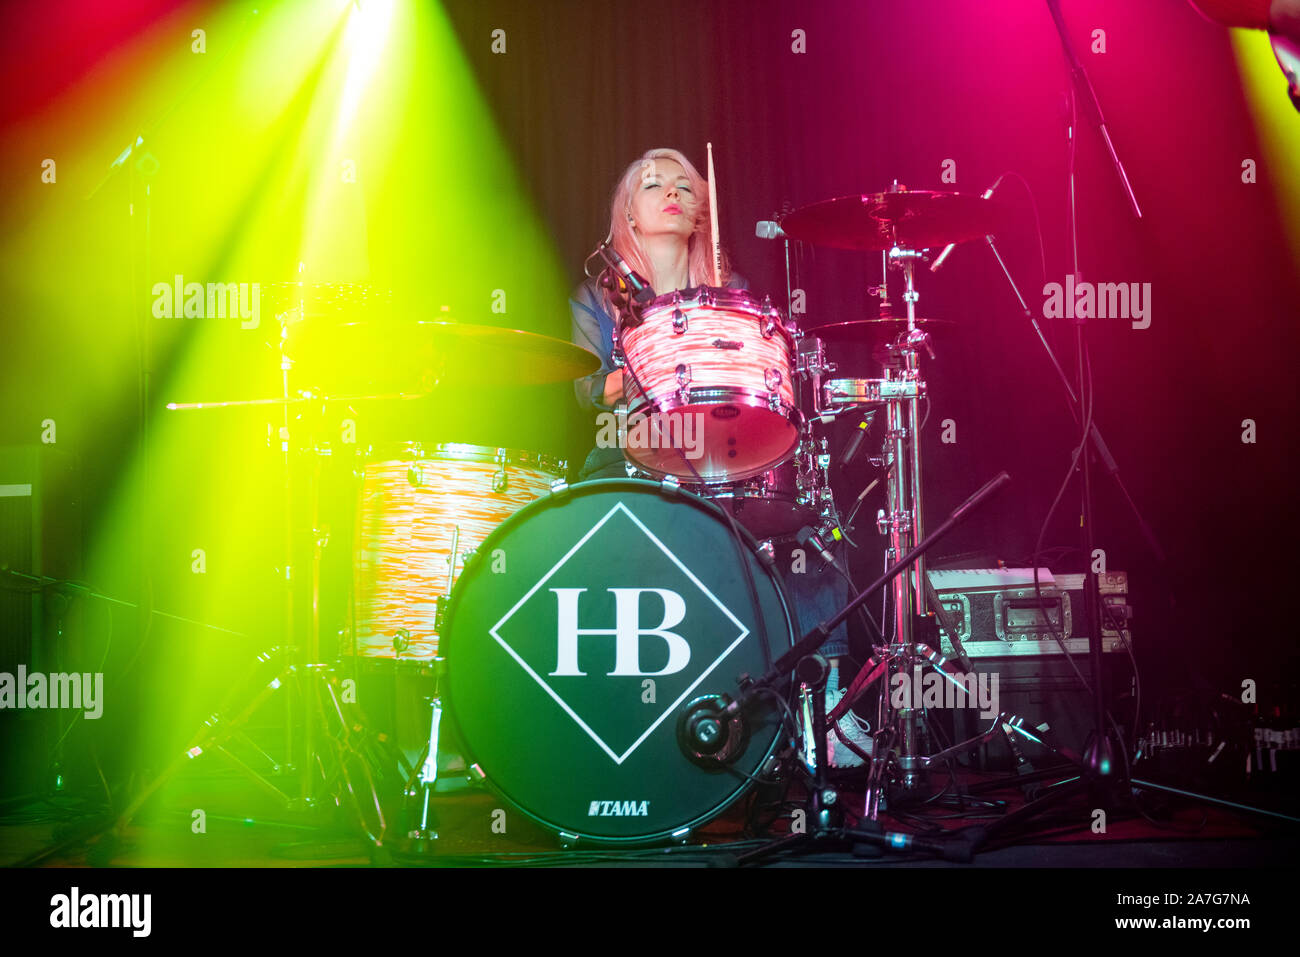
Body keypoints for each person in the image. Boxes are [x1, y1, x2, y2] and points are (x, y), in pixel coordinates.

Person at [569, 147, 872, 767]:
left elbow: (766, 378)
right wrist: (661, 364)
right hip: (634, 452)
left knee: (811, 522)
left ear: (703, 207)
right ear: (627, 210)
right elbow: (583, 391)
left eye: (686, 185)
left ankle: (831, 713)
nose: (673, 193)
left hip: (727, 455)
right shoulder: (600, 295)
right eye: (653, 185)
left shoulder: (731, 292)